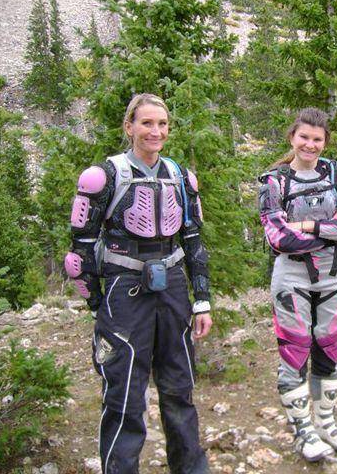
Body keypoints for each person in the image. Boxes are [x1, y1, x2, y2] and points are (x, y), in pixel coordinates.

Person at [65, 93, 212, 473]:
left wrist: (202, 300)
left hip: (174, 288)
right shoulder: (102, 177)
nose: (155, 131)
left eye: (162, 124)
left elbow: (193, 241)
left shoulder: (180, 176)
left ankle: (191, 468)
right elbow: (78, 253)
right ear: (129, 127)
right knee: (124, 395)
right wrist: (97, 304)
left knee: (180, 389)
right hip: (123, 289)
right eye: (146, 123)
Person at [258, 107, 337, 462]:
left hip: (335, 276)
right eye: (304, 137)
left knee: (330, 349)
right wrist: (331, 231)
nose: (310, 144)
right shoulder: (273, 181)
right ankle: (303, 430)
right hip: (292, 278)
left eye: (317, 139)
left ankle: (326, 422)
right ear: (292, 137)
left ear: (325, 142)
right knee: (295, 350)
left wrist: (305, 227)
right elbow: (278, 238)